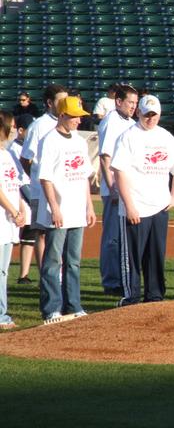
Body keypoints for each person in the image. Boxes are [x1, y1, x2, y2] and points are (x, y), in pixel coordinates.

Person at [111, 95, 174, 307]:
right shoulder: (128, 136)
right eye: (147, 115)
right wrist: (129, 206)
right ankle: (131, 297)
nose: (151, 119)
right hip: (136, 207)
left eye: (155, 115)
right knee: (132, 258)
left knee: (156, 256)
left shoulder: (165, 136)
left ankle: (155, 297)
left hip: (159, 207)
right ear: (138, 113)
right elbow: (119, 173)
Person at [37, 97, 96, 323]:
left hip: (77, 210)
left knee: (73, 261)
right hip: (59, 211)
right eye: (74, 117)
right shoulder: (50, 140)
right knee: (53, 261)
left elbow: (84, 177)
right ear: (62, 115)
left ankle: (73, 305)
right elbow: (46, 178)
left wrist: (89, 206)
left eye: (80, 117)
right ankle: (52, 308)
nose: (78, 121)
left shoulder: (79, 141)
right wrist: (54, 207)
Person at [20, 84, 68, 271]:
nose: (64, 104)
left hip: (63, 188)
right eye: (61, 100)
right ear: (49, 102)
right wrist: (37, 177)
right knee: (41, 232)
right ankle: (46, 274)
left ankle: (59, 273)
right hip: (41, 190)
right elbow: (26, 158)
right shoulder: (39, 125)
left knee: (62, 230)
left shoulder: (67, 122)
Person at [96, 85, 138, 296]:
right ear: (119, 101)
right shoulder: (111, 121)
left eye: (135, 103)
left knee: (124, 237)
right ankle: (112, 281)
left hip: (128, 187)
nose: (133, 106)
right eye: (130, 102)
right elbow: (105, 158)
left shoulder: (130, 123)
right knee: (113, 237)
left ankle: (123, 278)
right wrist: (112, 187)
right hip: (114, 188)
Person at [0, 111, 26, 330]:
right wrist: (14, 211)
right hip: (3, 218)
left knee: (4, 270)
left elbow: (16, 185)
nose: (15, 131)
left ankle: (2, 312)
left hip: (9, 221)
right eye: (12, 126)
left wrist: (21, 210)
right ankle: (1, 315)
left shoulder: (8, 154)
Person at [7, 114, 35, 284]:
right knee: (13, 237)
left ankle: (24, 275)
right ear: (21, 130)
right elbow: (21, 180)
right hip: (21, 196)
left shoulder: (28, 146)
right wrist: (32, 200)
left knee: (30, 237)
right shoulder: (13, 149)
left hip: (30, 194)